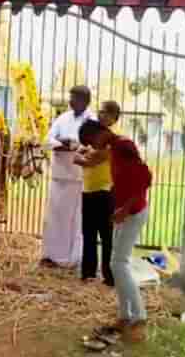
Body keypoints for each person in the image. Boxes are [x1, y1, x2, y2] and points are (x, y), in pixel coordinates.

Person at [79, 119, 153, 343]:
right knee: (116, 263)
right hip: (123, 211)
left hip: (133, 212)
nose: (94, 146)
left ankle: (139, 318)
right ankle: (124, 316)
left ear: (100, 133)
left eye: (92, 141)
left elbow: (145, 178)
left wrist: (126, 207)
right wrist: (117, 202)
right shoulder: (114, 148)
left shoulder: (124, 145)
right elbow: (123, 179)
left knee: (119, 263)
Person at [41, 86, 95, 268]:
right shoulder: (63, 117)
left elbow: (87, 147)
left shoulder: (92, 120)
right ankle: (50, 255)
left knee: (73, 221)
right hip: (58, 175)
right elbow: (47, 140)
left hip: (77, 177)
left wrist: (68, 144)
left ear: (86, 101)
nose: (70, 102)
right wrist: (62, 143)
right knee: (54, 217)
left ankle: (68, 260)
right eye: (70, 98)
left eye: (75, 98)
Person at [74, 101, 121, 286]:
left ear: (114, 118)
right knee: (89, 233)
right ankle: (88, 273)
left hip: (105, 192)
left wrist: (82, 156)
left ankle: (109, 276)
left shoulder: (113, 140)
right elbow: (81, 153)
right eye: (100, 112)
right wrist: (83, 154)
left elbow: (90, 160)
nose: (102, 115)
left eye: (106, 113)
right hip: (89, 189)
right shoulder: (94, 135)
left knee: (107, 235)